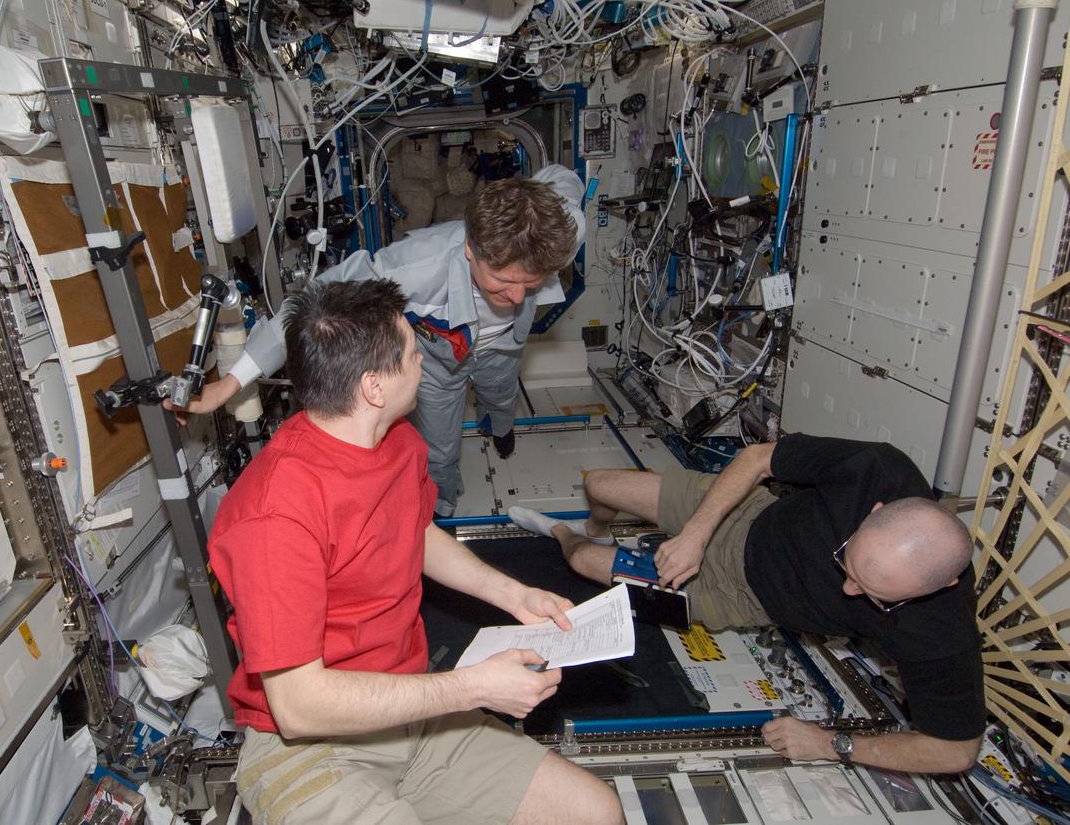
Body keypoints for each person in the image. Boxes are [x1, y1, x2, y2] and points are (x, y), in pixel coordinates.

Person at [208, 279, 624, 824]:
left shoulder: (396, 440)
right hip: (311, 748)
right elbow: (299, 705)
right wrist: (474, 687)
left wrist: (515, 595)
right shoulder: (274, 515)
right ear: (374, 387)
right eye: (411, 353)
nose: (424, 360)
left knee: (595, 812)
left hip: (412, 710)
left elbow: (413, 531)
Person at [507, 435, 984, 775]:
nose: (849, 592)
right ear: (875, 511)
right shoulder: (880, 470)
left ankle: (563, 533)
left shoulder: (940, 633)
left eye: (874, 597)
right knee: (601, 484)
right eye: (847, 565)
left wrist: (829, 744)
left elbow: (956, 751)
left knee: (586, 562)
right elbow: (758, 458)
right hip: (740, 518)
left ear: (941, 588)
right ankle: (594, 524)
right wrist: (695, 533)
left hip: (738, 598)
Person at [173, 165, 585, 517]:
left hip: (503, 348)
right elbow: (312, 307)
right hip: (442, 362)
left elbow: (564, 179)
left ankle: (502, 428)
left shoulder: (558, 232)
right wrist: (229, 384)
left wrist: (531, 198)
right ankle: (440, 512)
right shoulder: (416, 267)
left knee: (501, 395)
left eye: (531, 283)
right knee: (438, 453)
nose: (517, 297)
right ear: (470, 249)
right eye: (505, 282)